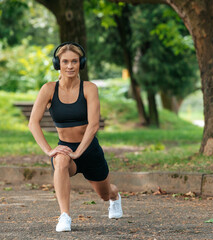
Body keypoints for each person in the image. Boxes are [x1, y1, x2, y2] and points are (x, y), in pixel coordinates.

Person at [28, 42, 122, 232]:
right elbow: (33, 123)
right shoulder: (48, 89)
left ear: (81, 63)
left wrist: (79, 152)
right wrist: (49, 150)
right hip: (66, 148)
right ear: (58, 64)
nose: (70, 66)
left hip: (90, 150)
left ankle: (115, 197)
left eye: (74, 61)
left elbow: (94, 124)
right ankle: (65, 216)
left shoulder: (89, 88)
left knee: (104, 194)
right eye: (65, 61)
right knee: (60, 161)